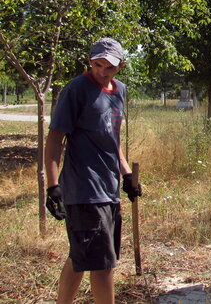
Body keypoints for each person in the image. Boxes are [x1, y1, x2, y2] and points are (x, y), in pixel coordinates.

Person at [44, 38, 142, 304]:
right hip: (84, 188)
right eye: (97, 64)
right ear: (90, 61)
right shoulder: (76, 90)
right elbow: (55, 139)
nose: (102, 71)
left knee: (81, 256)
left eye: (109, 67)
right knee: (102, 266)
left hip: (108, 189)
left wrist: (126, 175)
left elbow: (113, 140)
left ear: (120, 67)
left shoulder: (119, 90)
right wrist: (53, 186)